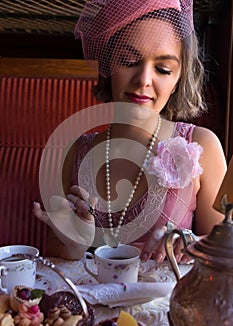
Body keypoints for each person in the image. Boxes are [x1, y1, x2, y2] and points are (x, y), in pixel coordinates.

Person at [33, 0, 227, 261]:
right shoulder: (73, 152)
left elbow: (226, 252)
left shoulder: (202, 146)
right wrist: (73, 244)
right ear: (107, 64)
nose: (144, 80)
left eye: (163, 69)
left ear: (179, 77)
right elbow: (57, 254)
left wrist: (186, 242)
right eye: (129, 60)